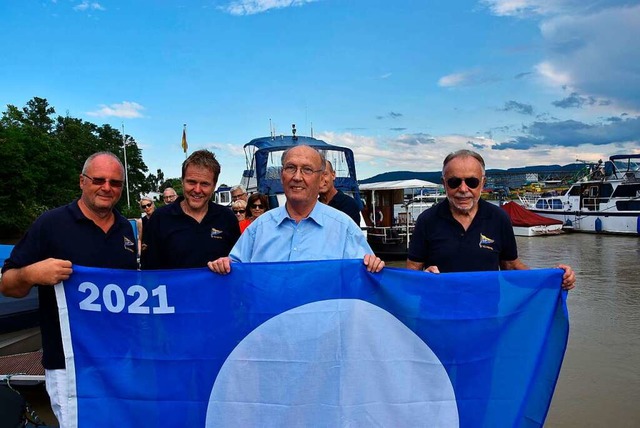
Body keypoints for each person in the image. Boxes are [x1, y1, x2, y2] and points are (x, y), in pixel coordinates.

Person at [0, 152, 138, 426]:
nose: (107, 187)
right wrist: (32, 273)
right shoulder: (51, 224)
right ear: (82, 181)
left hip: (118, 357)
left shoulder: (125, 228)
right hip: (68, 361)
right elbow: (7, 284)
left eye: (115, 182)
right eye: (98, 180)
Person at [406, 149, 575, 290]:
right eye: (454, 182)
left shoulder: (499, 218)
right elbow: (411, 273)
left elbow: (511, 266)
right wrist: (424, 278)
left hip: (487, 316)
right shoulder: (427, 220)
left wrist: (552, 278)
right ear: (444, 183)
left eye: (471, 182)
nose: (463, 189)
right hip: (439, 315)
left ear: (482, 182)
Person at [208, 145, 384, 274]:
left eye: (307, 170)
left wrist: (374, 266)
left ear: (321, 178)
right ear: (281, 175)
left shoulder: (344, 228)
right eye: (291, 168)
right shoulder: (258, 229)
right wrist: (224, 266)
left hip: (324, 325)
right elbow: (235, 271)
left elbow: (364, 280)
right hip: (269, 325)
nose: (297, 177)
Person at [141, 149, 240, 269]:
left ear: (214, 186)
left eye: (204, 184)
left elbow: (238, 264)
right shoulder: (159, 218)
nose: (197, 190)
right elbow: (149, 272)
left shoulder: (227, 218)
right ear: (182, 181)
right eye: (191, 182)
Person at [319, 160, 362, 225]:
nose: (321, 179)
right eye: (317, 175)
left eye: (325, 174)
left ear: (333, 175)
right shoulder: (313, 206)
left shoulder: (349, 205)